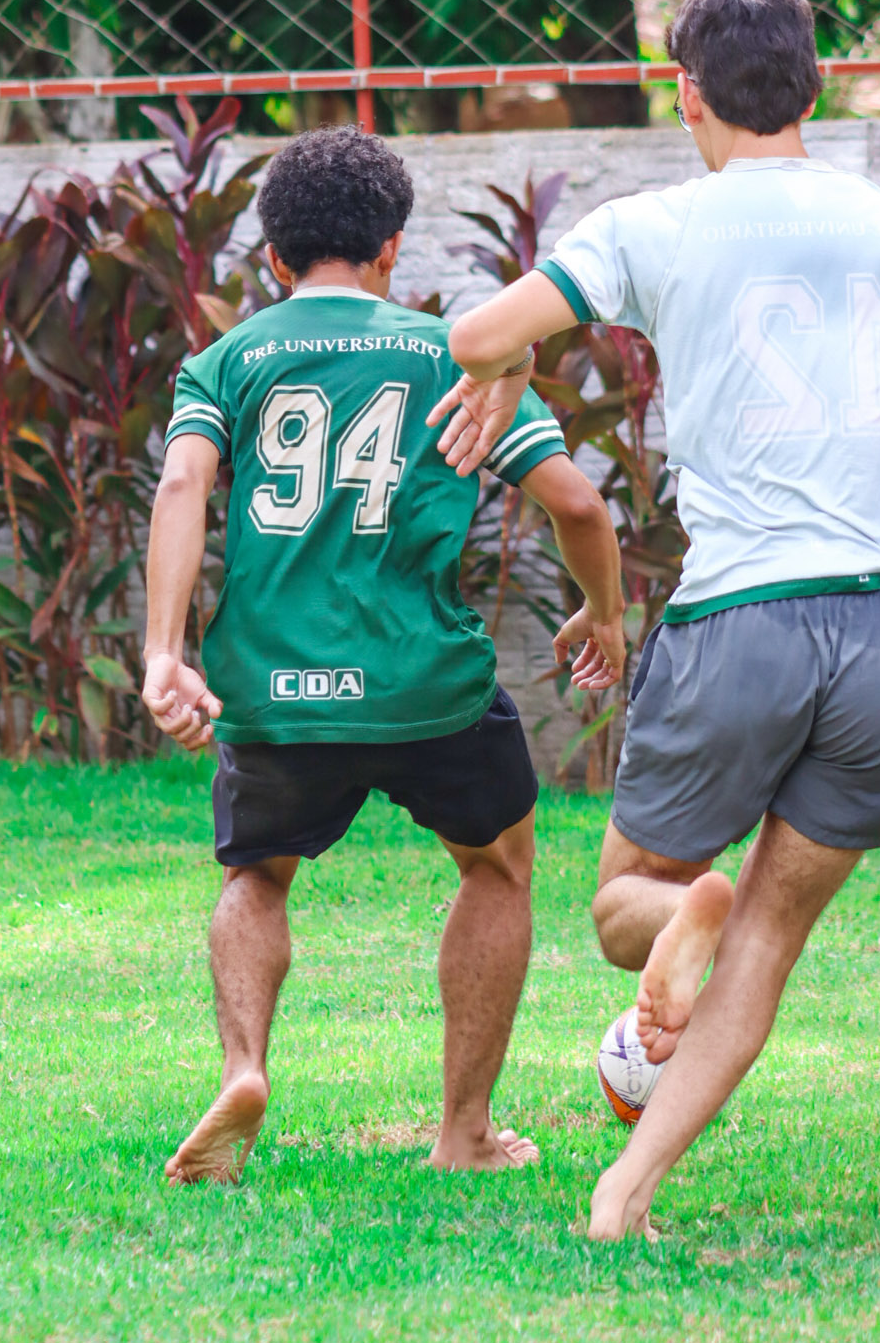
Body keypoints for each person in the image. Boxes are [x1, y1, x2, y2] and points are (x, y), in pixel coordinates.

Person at [435, 0, 880, 1240]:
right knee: (768, 938)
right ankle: (625, 1191)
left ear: (687, 91)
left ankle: (681, 906)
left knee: (625, 907)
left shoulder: (650, 226)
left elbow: (472, 337)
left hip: (739, 620)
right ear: (815, 86)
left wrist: (517, 359)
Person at [142, 126, 626, 1185]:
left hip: (273, 685)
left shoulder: (225, 361)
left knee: (255, 873)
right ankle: (465, 1132)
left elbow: (182, 485)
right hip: (426, 686)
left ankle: (244, 1067)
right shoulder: (461, 356)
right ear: (392, 248)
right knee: (496, 866)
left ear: (275, 257)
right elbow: (580, 506)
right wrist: (603, 613)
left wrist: (163, 652)